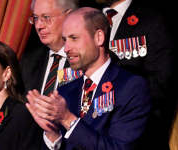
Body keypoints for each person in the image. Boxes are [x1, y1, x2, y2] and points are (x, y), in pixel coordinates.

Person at [26, 7, 151, 150]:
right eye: (65, 40)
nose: (66, 48)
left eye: (74, 38)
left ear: (99, 37)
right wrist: (52, 133)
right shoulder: (64, 92)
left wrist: (68, 119)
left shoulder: (131, 87)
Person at [96, 0, 175, 149]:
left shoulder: (150, 20)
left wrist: (112, 102)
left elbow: (161, 82)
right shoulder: (87, 19)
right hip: (92, 134)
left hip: (136, 134)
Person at [20, 0, 79, 96]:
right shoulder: (29, 61)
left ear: (69, 16)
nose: (39, 26)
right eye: (35, 18)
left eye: (46, 17)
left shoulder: (87, 58)